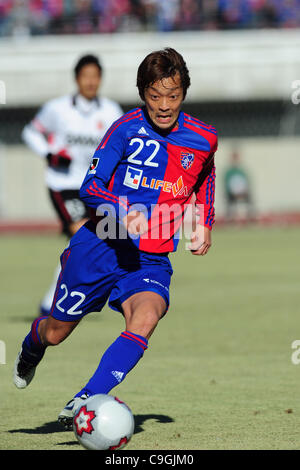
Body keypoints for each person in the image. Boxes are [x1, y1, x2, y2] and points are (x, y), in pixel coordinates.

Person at [14, 48, 218, 431]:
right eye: (155, 96)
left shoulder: (204, 138)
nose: (163, 106)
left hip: (150, 258)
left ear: (184, 93)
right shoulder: (124, 128)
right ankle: (32, 347)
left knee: (147, 316)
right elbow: (90, 187)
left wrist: (203, 220)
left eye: (172, 96)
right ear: (142, 93)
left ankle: (87, 399)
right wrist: (123, 211)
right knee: (56, 332)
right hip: (101, 247)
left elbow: (205, 174)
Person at [22, 54, 123, 315]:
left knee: (95, 242)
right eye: (85, 76)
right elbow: (30, 132)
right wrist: (49, 154)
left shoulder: (111, 111)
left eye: (95, 76)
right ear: (77, 79)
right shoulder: (57, 109)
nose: (91, 82)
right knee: (81, 234)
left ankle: (54, 302)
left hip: (95, 189)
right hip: (63, 184)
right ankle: (51, 305)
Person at [223, 149, 254, 222]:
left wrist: (243, 191)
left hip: (242, 193)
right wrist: (234, 193)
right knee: (230, 202)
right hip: (231, 194)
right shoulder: (228, 172)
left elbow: (246, 183)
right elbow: (227, 185)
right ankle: (230, 220)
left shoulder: (241, 171)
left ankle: (250, 218)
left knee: (249, 199)